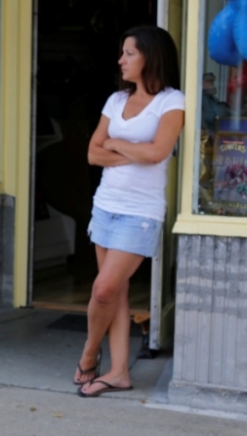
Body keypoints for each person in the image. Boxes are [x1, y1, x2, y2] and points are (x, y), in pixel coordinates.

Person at [74, 25, 185, 397]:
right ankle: (119, 372)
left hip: (140, 213)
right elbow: (92, 153)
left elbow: (158, 153)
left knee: (103, 289)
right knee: (116, 293)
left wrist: (117, 143)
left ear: (150, 57)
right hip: (106, 206)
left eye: (129, 53)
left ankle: (89, 356)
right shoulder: (115, 101)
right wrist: (132, 151)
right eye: (122, 53)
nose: (121, 60)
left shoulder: (172, 101)